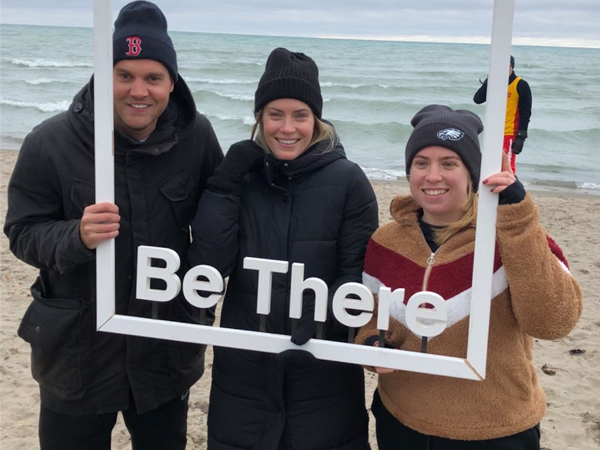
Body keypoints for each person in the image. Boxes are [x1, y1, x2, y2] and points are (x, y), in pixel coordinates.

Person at [3, 2, 223, 449]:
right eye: (124, 74)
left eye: (152, 77)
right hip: (75, 352)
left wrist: (202, 294)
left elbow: (220, 221)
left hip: (164, 345)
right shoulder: (50, 142)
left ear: (171, 83)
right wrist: (74, 235)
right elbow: (22, 232)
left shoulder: (196, 136)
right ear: (105, 77)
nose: (138, 90)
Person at [355, 105, 582, 449]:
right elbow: (368, 315)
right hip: (402, 421)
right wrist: (371, 344)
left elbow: (554, 322)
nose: (433, 176)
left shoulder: (513, 235)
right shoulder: (385, 242)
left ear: (472, 173)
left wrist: (518, 215)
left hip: (496, 430)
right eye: (421, 163)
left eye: (449, 163)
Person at [189, 47, 378, 449]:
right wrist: (223, 185)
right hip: (244, 365)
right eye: (275, 114)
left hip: (322, 370)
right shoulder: (242, 177)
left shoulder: (349, 182)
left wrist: (325, 323)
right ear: (260, 118)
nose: (287, 128)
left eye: (300, 115)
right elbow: (209, 264)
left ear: (317, 120)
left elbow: (354, 277)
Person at [473, 55, 532, 173]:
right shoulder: (494, 83)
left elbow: (526, 112)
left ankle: (509, 191)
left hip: (509, 134)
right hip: (492, 134)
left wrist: (521, 137)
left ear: (511, 67)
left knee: (507, 169)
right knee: (489, 167)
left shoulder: (521, 85)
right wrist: (488, 81)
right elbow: (477, 99)